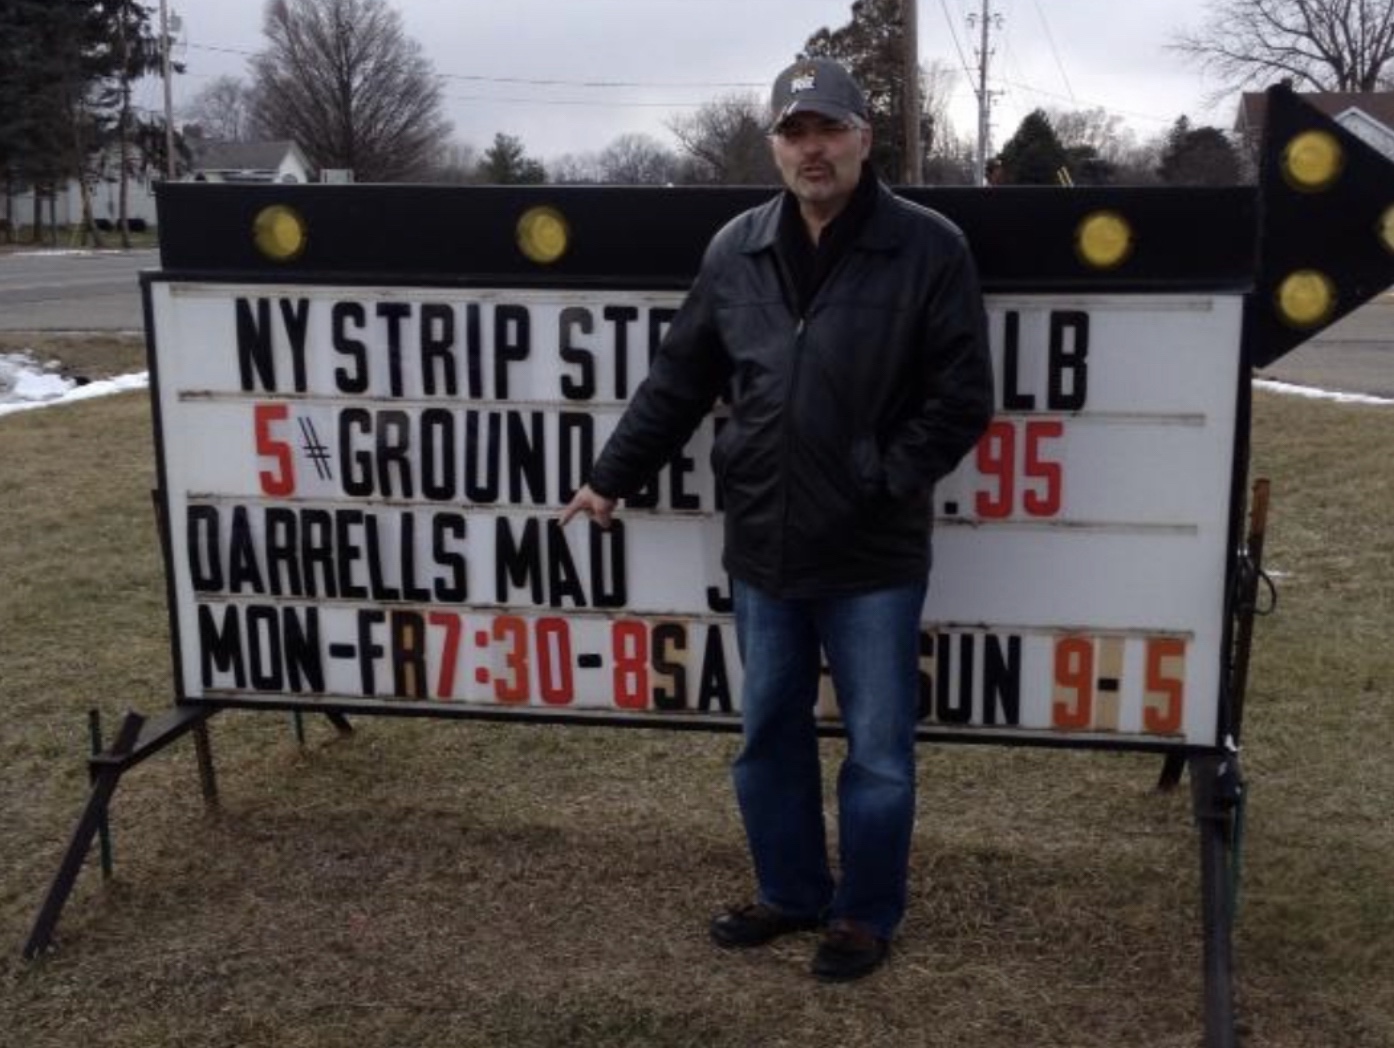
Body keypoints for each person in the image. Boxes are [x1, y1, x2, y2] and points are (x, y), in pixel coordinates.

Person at [561, 57, 993, 982]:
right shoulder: (738, 249)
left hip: (873, 549)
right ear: (774, 147)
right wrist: (610, 477)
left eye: (829, 128)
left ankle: (864, 914)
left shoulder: (929, 248)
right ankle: (791, 892)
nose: (813, 149)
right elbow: (681, 378)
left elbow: (962, 399)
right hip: (763, 542)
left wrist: (882, 477)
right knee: (768, 735)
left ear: (864, 138)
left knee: (879, 751)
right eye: (795, 133)